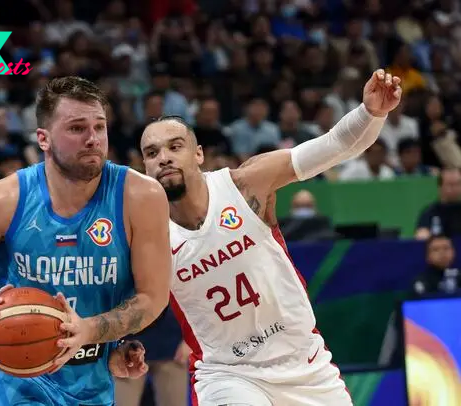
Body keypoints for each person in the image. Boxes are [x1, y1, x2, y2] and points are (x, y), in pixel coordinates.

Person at [140, 69, 402, 406]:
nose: (163, 157)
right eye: (152, 152)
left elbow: (334, 145)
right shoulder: (146, 230)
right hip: (228, 374)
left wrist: (372, 112)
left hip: (305, 366)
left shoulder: (246, 184)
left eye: (175, 146)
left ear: (199, 154)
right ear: (144, 165)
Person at [0, 76, 172, 406]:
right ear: (43, 138)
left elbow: (152, 297)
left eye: (99, 127)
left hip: (89, 375)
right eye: (76, 128)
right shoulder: (2, 199)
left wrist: (93, 332)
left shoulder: (141, 196)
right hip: (9, 377)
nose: (93, 139)